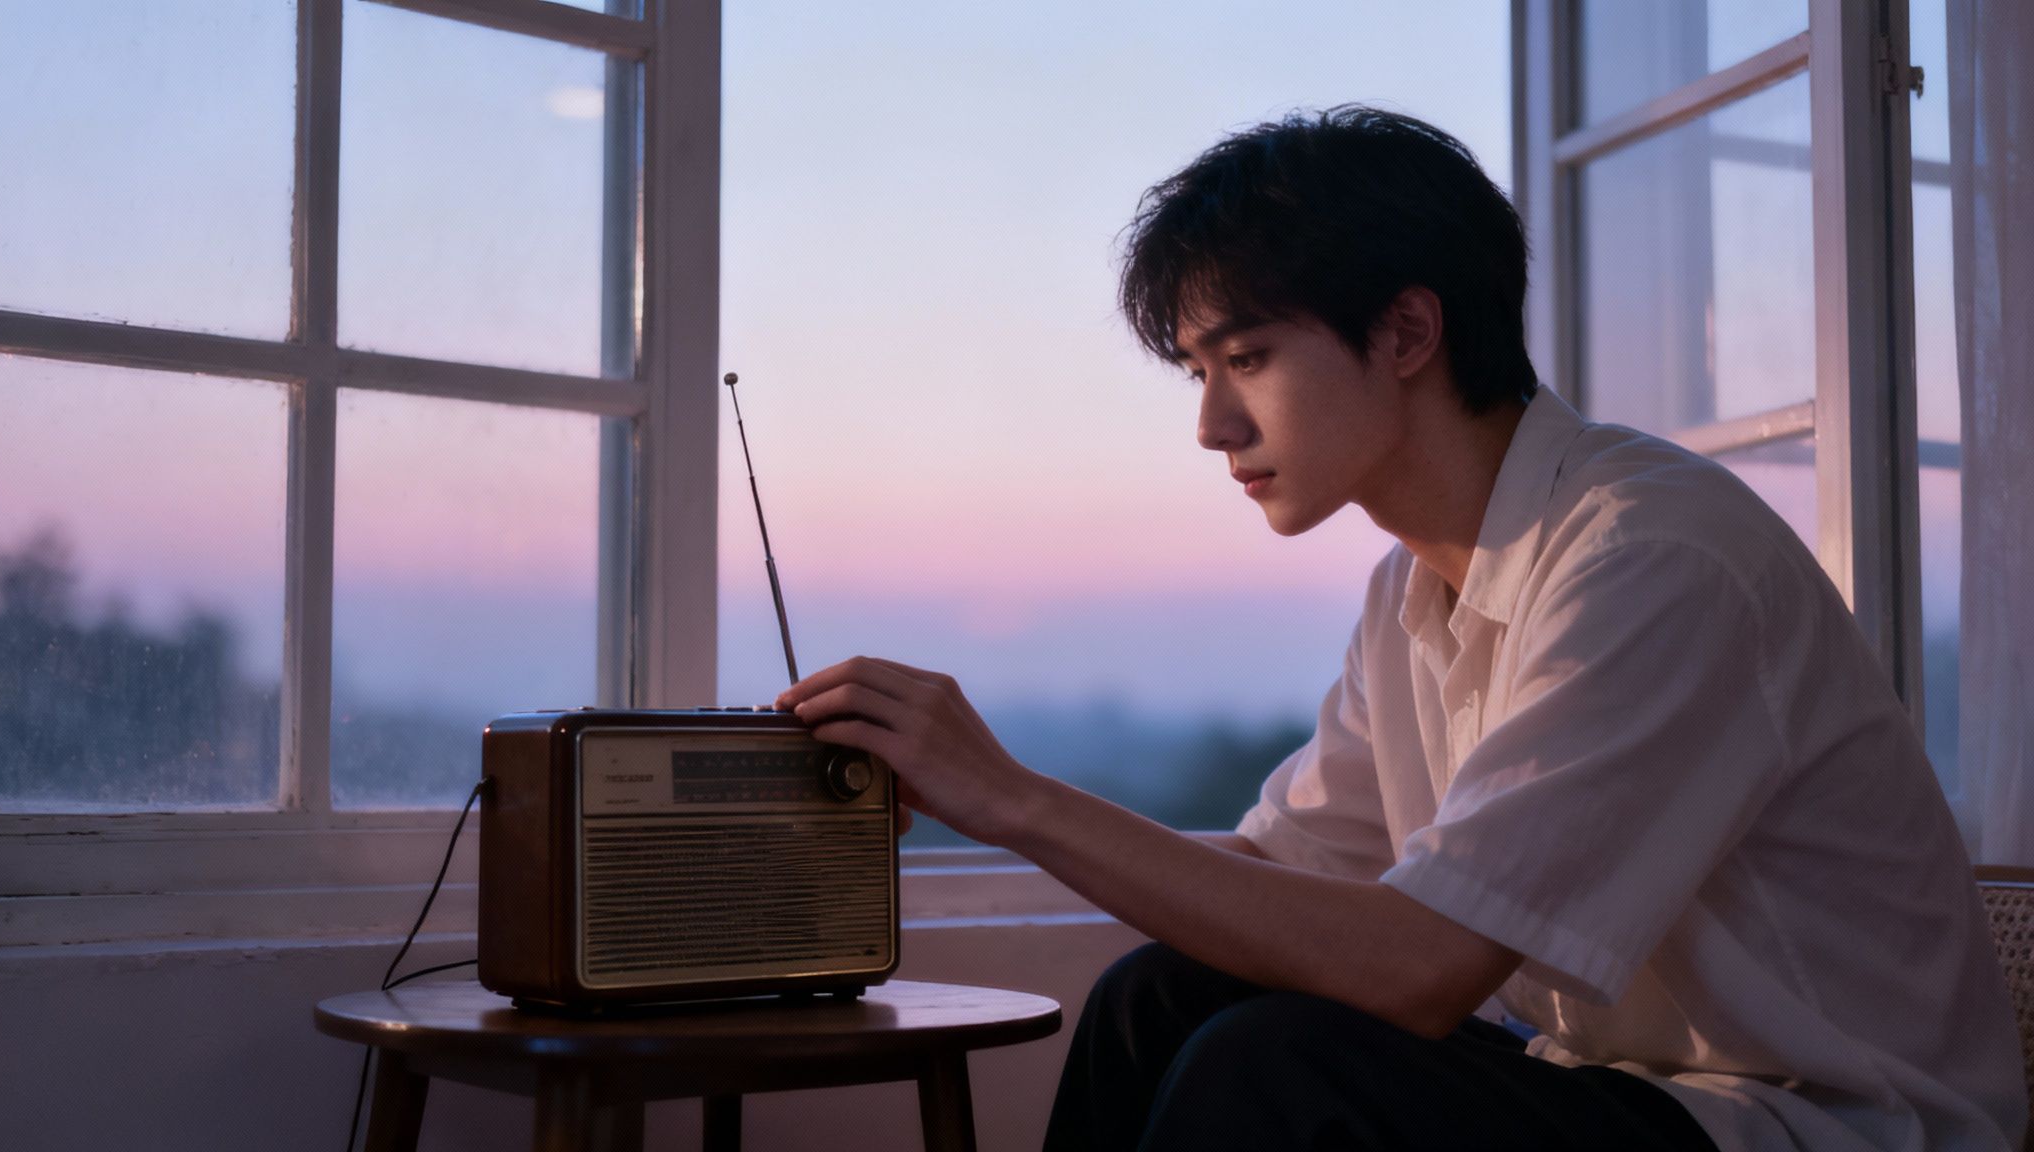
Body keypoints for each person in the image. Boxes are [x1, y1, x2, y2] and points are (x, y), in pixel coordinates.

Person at [773, 106, 2027, 1152]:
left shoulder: (1650, 558)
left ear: (1408, 332)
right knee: (1159, 1000)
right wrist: (966, 789)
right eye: (1195, 374)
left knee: (1282, 1070)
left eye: (1244, 358)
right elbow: (1281, 882)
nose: (1208, 425)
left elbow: (1414, 969)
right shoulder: (1413, 586)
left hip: (1824, 1127)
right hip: (1639, 1100)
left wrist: (1013, 799)